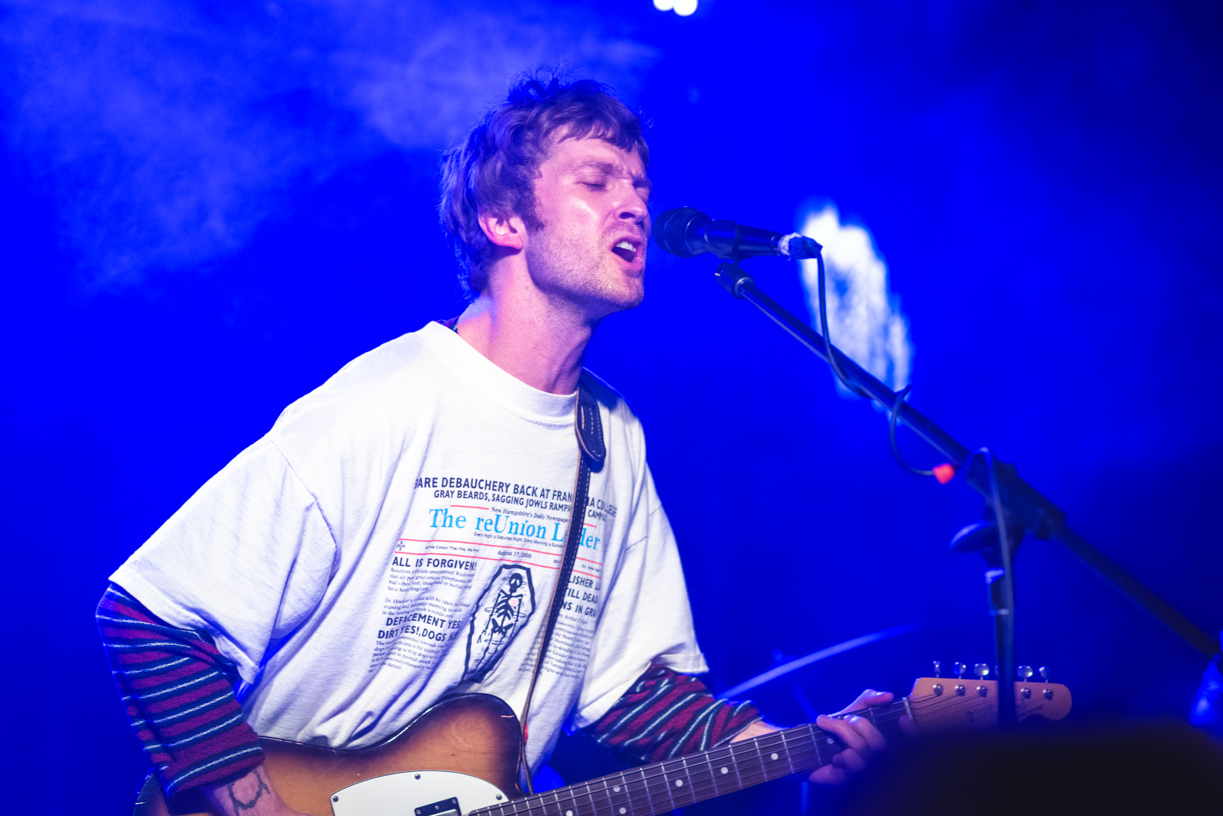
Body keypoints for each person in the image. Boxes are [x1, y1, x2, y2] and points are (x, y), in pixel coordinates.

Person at [98, 76, 895, 816]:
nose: (634, 206)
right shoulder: (387, 401)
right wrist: (251, 803)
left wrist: (791, 747)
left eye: (639, 187)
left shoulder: (611, 435)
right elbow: (149, 616)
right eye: (597, 182)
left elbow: (628, 693)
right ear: (503, 220)